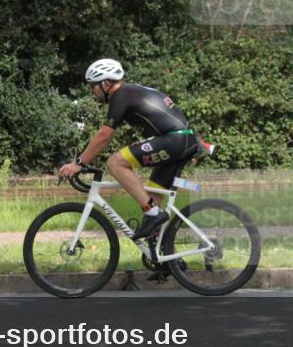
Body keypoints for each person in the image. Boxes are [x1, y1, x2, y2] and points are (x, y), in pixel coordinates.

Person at [58, 58, 201, 242]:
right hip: (181, 140)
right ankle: (163, 259)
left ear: (106, 84)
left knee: (115, 163)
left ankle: (152, 213)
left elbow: (104, 136)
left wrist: (79, 163)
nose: (92, 91)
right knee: (152, 201)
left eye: (93, 86)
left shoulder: (121, 95)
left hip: (176, 139)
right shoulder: (130, 91)